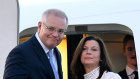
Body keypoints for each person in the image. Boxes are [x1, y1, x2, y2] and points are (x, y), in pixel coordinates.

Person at [3, 9, 68, 79]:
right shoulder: (20, 53)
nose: (55, 34)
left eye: (60, 31)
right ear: (40, 26)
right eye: (51, 28)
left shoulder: (56, 53)